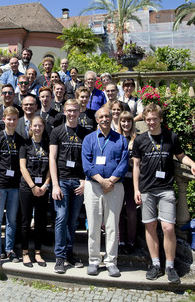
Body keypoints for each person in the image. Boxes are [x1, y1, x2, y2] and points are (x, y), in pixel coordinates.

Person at [132, 104, 195, 284]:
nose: (151, 122)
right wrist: (136, 189)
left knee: (168, 227)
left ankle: (170, 266)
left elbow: (180, 156)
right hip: (147, 188)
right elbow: (136, 166)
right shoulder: (140, 140)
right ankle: (156, 264)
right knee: (150, 226)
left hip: (166, 189)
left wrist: (193, 164)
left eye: (154, 118)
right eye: (148, 119)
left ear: (160, 119)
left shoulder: (171, 137)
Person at [82, 107, 128, 277]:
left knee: (112, 226)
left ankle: (111, 261)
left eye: (107, 116)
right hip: (93, 186)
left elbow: (123, 164)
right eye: (101, 116)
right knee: (93, 225)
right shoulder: (89, 139)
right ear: (97, 119)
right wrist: (102, 181)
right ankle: (93, 260)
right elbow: (87, 165)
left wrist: (111, 181)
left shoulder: (121, 140)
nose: (105, 119)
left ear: (111, 118)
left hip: (115, 187)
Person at [49, 99, 91, 274]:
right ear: (64, 111)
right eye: (69, 110)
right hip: (63, 181)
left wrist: (85, 180)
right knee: (61, 217)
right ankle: (59, 256)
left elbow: (90, 159)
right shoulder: (57, 131)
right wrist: (55, 184)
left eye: (75, 110)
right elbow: (52, 158)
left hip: (79, 182)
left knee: (73, 220)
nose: (72, 113)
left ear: (80, 112)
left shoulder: (86, 133)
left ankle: (69, 253)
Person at [0, 106, 24, 268]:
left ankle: (9, 249)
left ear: (17, 120)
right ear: (4, 120)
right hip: (0, 185)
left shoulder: (20, 140)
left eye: (14, 119)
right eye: (8, 119)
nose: (11, 122)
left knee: (12, 220)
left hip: (15, 186)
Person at [19, 116, 51, 268]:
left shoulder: (48, 145)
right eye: (35, 126)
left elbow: (51, 167)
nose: (37, 128)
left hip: (43, 188)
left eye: (40, 126)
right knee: (26, 221)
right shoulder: (25, 145)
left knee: (40, 221)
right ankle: (25, 252)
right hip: (27, 188)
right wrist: (32, 186)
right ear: (30, 127)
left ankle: (38, 252)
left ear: (43, 127)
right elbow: (22, 167)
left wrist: (45, 185)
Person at [118, 111, 138, 255]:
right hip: (119, 179)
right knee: (118, 210)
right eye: (123, 121)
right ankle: (121, 240)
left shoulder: (137, 139)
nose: (126, 124)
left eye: (128, 121)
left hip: (132, 179)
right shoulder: (116, 138)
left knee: (131, 210)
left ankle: (131, 241)